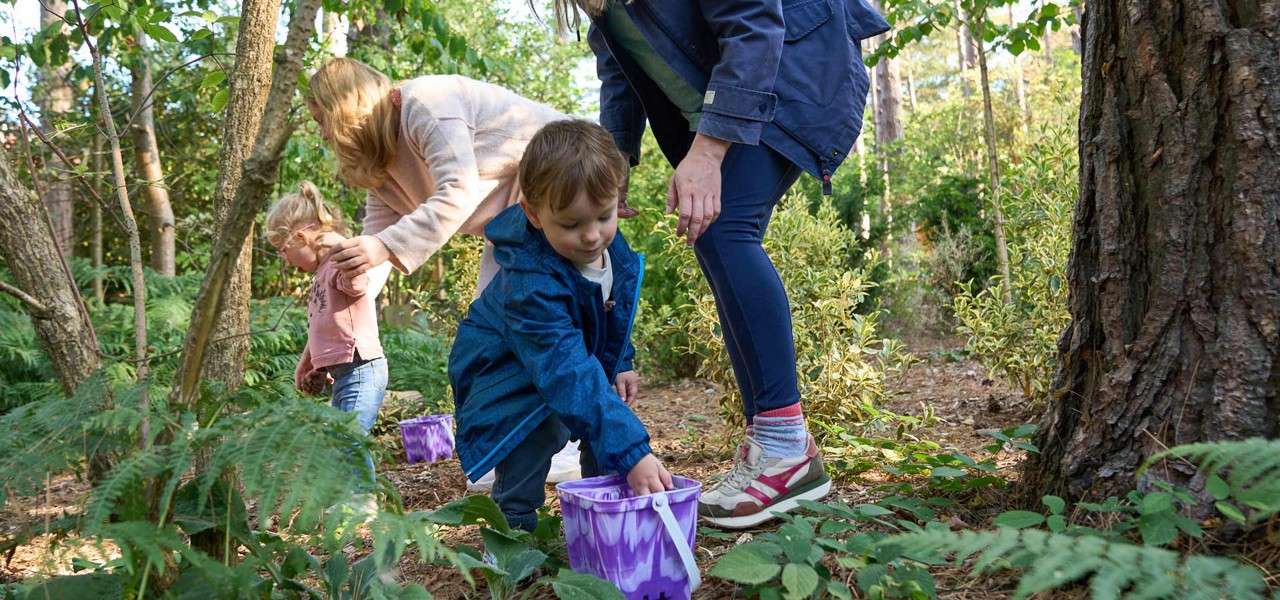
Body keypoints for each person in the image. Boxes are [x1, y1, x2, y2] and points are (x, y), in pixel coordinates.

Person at [547, 0, 890, 528]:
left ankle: (785, 446)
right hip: (731, 100)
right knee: (716, 235)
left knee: (728, 228)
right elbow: (621, 70)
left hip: (791, 73)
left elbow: (754, 27)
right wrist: (611, 171)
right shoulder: (602, 6)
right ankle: (774, 443)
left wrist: (705, 154)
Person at [305, 57, 593, 484]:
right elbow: (379, 237)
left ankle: (563, 447)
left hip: (564, 184)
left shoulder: (426, 103)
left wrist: (380, 247)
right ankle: (522, 450)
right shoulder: (380, 161)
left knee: (536, 325)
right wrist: (340, 316)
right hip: (512, 222)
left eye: (322, 119)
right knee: (492, 331)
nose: (323, 133)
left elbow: (456, 191)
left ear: (345, 106)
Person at [448, 120, 669, 531]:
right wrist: (634, 449)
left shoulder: (610, 246)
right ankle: (512, 539)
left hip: (560, 360)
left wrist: (622, 359)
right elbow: (566, 371)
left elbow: (608, 310)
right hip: (506, 375)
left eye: (604, 216)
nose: (591, 236)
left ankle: (602, 517)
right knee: (532, 440)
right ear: (533, 213)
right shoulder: (530, 284)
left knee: (601, 415)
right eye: (570, 224)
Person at [266, 181, 387, 495]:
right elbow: (324, 324)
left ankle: (362, 505)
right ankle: (352, 502)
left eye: (283, 249)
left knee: (350, 437)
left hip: (363, 368)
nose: (284, 258)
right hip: (345, 373)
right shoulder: (321, 271)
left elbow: (358, 285)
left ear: (302, 237)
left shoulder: (338, 260)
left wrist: (346, 252)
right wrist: (309, 364)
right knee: (339, 440)